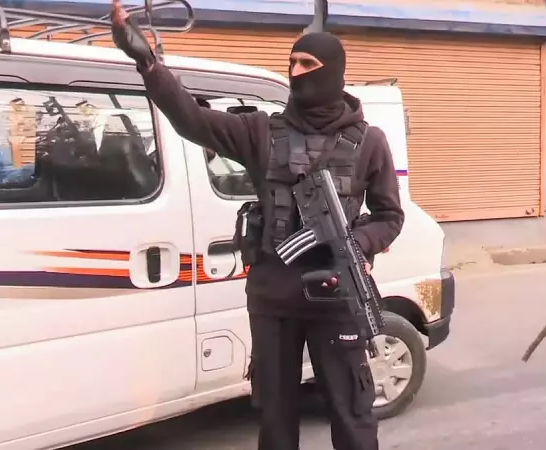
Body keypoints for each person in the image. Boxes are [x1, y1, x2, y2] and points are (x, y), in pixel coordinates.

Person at [110, 1, 404, 449]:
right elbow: (192, 119)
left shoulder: (369, 141)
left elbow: (390, 216)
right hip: (273, 297)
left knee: (352, 416)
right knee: (276, 418)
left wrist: (358, 243)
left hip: (337, 294)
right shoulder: (261, 131)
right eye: (292, 62)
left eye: (308, 64)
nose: (296, 71)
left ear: (333, 72)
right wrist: (147, 62)